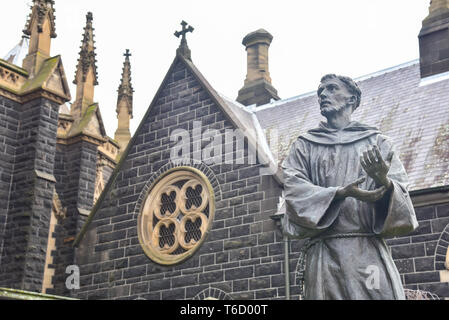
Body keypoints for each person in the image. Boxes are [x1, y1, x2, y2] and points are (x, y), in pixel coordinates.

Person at [282, 74, 418, 300]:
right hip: (325, 259)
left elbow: (404, 201)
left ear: (352, 98)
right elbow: (293, 192)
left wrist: (384, 182)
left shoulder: (377, 142)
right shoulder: (303, 146)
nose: (323, 95)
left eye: (332, 89)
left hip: (367, 253)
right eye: (320, 92)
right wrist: (339, 193)